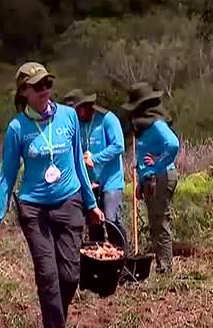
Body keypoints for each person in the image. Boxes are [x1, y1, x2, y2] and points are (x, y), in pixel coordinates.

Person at [0, 62, 104, 328]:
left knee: (70, 275)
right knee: (48, 275)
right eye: (38, 86)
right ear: (24, 92)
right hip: (34, 207)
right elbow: (7, 174)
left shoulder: (68, 117)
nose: (45, 90)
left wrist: (91, 204)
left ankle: (56, 318)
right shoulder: (18, 128)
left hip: (69, 202)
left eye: (47, 84)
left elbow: (78, 162)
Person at [120, 82, 181, 275]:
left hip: (161, 176)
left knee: (160, 221)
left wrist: (158, 163)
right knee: (156, 222)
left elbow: (172, 144)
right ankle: (163, 265)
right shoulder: (146, 127)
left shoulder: (156, 124)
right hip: (152, 177)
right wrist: (141, 181)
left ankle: (165, 269)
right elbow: (143, 157)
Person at [62, 89, 128, 246]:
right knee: (94, 223)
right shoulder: (78, 125)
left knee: (111, 220)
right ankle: (98, 261)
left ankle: (122, 257)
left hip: (111, 180)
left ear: (85, 106)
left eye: (77, 110)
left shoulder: (107, 119)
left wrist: (96, 159)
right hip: (91, 182)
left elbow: (119, 145)